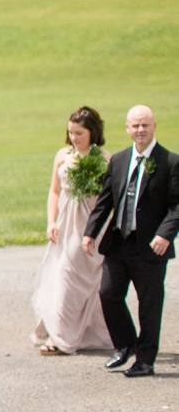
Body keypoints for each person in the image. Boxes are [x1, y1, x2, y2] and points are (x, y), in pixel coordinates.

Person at [83, 106, 179, 377]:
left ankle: (145, 361)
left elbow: (177, 205)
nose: (140, 130)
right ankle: (125, 344)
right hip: (119, 242)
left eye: (145, 125)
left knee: (149, 304)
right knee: (108, 293)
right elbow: (106, 201)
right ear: (127, 128)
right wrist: (90, 232)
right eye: (135, 125)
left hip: (151, 246)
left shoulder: (171, 162)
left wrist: (165, 234)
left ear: (154, 127)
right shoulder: (119, 160)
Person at [31, 107, 112, 354]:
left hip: (89, 224)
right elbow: (54, 191)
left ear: (92, 132)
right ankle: (60, 333)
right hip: (65, 223)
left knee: (71, 273)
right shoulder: (62, 155)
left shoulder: (105, 159)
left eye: (79, 133)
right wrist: (51, 221)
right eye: (70, 132)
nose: (74, 138)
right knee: (59, 273)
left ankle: (63, 336)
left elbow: (109, 199)